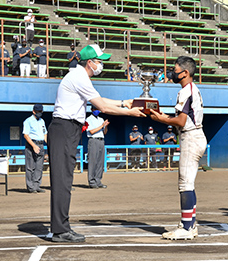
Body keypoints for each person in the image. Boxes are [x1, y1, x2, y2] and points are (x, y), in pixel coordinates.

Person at [47, 44, 145, 243]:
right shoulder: (79, 77)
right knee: (62, 181)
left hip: (69, 129)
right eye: (99, 61)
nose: (101, 65)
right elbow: (101, 106)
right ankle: (59, 230)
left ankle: (62, 226)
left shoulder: (80, 76)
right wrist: (130, 112)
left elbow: (100, 100)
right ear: (89, 62)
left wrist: (122, 102)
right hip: (64, 129)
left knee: (65, 180)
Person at [150, 56, 207, 240]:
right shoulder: (191, 89)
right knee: (188, 183)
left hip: (191, 136)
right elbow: (183, 118)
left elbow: (181, 121)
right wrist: (162, 115)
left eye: (176, 69)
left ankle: (187, 227)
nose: (173, 73)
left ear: (185, 73)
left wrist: (162, 119)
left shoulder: (186, 90)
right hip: (194, 135)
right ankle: (190, 223)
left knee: (185, 184)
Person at [23, 104, 47, 194]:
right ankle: (31, 187)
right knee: (30, 167)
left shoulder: (42, 121)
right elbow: (26, 135)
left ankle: (37, 186)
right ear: (34, 111)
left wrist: (48, 143)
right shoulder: (28, 121)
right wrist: (33, 146)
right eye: (38, 112)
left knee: (39, 167)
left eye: (41, 112)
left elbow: (45, 134)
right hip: (32, 144)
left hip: (41, 144)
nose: (40, 113)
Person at [86, 105, 109, 189]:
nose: (97, 110)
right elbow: (91, 131)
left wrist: (105, 126)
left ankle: (98, 180)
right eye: (95, 109)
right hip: (93, 140)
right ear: (91, 109)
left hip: (101, 140)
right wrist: (102, 125)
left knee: (100, 162)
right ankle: (91, 181)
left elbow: (104, 132)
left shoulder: (101, 119)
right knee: (93, 161)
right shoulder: (88, 119)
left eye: (98, 109)